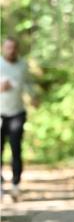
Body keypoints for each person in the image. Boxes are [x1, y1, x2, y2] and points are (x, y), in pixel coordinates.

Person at [1, 36, 32, 201]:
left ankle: (15, 185)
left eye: (14, 48)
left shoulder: (23, 66)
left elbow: (29, 85)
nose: (11, 51)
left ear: (17, 49)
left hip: (17, 113)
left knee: (15, 150)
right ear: (3, 48)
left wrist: (34, 97)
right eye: (8, 48)